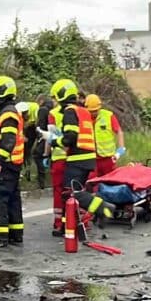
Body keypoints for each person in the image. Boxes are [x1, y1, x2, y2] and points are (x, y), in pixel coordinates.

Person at [0, 76, 25, 249]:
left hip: (5, 164)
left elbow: (8, 140)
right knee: (13, 200)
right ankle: (15, 234)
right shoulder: (9, 111)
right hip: (12, 164)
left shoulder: (7, 113)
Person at [53, 80, 96, 229]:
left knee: (68, 194)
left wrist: (54, 141)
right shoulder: (83, 110)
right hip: (88, 158)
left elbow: (70, 137)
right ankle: (76, 224)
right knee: (77, 192)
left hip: (77, 159)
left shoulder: (70, 111)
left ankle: (99, 209)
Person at [45, 80, 71, 235]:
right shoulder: (79, 112)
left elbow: (51, 137)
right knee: (73, 190)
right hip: (76, 158)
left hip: (59, 158)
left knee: (59, 191)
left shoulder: (53, 114)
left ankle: (59, 223)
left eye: (54, 98)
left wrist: (45, 154)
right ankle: (76, 221)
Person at [85, 94, 126, 177]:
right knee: (92, 181)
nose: (93, 113)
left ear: (100, 107)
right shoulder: (84, 118)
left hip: (108, 158)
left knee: (110, 180)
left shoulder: (108, 116)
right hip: (91, 158)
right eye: (91, 111)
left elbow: (119, 132)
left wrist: (121, 148)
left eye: (95, 110)